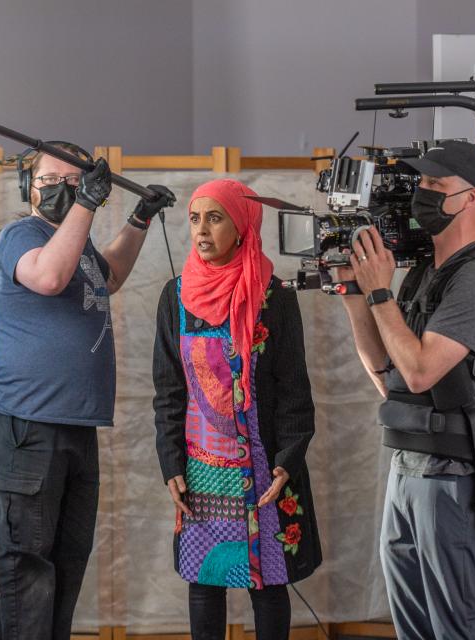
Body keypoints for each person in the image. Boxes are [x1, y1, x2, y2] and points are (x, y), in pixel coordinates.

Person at [0, 141, 172, 640]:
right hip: (30, 426)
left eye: (76, 182)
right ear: (30, 186)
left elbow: (107, 278)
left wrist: (139, 219)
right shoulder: (20, 236)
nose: (64, 190)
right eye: (52, 181)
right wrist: (87, 204)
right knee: (30, 568)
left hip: (76, 426)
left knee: (68, 564)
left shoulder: (75, 240)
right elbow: (48, 277)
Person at [341, 141, 475, 639]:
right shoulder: (423, 274)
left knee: (457, 623)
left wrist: (379, 292)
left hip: (452, 476)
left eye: (437, 186)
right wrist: (357, 296)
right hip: (407, 466)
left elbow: (420, 372)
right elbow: (389, 379)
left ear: (473, 198)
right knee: (413, 624)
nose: (423, 194)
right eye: (421, 184)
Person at [152, 179, 321, 640]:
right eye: (194, 218)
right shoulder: (177, 296)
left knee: (267, 580)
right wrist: (171, 463)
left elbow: (293, 389)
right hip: (200, 466)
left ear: (243, 224)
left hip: (264, 468)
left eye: (215, 217)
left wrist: (287, 462)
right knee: (204, 579)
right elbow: (168, 390)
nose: (201, 230)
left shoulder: (274, 296)